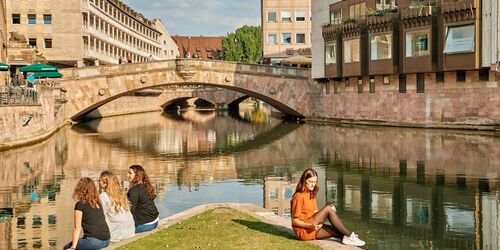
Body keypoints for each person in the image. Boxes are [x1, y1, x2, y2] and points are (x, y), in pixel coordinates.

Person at [290, 168, 365, 247]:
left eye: (315, 182)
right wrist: (310, 225)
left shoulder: (311, 193)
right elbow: (294, 221)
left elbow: (314, 212)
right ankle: (350, 236)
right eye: (310, 182)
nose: (313, 184)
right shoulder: (298, 196)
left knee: (335, 231)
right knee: (328, 208)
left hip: (312, 226)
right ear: (304, 181)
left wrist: (326, 210)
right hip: (303, 230)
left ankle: (346, 238)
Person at [64, 177, 110, 250]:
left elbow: (77, 228)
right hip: (107, 240)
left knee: (66, 247)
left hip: (95, 242)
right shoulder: (97, 202)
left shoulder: (80, 204)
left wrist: (73, 247)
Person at [98, 171, 135, 242]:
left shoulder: (103, 196)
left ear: (106, 183)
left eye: (100, 180)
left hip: (117, 234)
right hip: (130, 231)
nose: (98, 182)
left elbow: (100, 216)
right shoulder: (121, 193)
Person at [127, 165, 159, 233]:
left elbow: (130, 211)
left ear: (137, 175)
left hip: (145, 225)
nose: (127, 175)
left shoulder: (134, 190)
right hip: (155, 221)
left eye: (130, 173)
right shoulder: (146, 186)